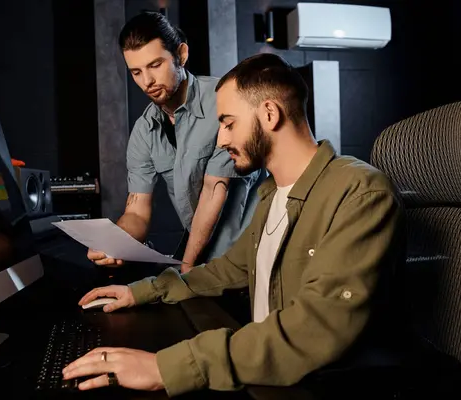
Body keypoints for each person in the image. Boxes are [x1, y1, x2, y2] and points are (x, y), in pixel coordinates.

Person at [62, 53, 405, 396]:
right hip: (263, 375)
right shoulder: (272, 195)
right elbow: (226, 270)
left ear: (269, 114)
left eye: (228, 123)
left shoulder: (360, 193)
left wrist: (163, 367)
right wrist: (142, 291)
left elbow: (315, 329)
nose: (222, 140)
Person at [87, 12, 263, 273]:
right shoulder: (144, 132)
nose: (147, 82)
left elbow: (214, 192)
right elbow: (137, 213)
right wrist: (114, 243)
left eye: (155, 65)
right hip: (202, 256)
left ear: (181, 55)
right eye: (136, 72)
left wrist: (186, 269)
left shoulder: (223, 102)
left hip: (255, 248)